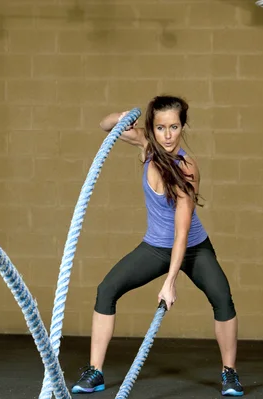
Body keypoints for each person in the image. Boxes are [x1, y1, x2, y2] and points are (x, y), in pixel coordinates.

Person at [70, 95, 244, 397]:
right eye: (161, 127)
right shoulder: (148, 146)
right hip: (155, 247)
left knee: (222, 299)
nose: (167, 135)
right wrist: (124, 116)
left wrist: (170, 282)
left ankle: (229, 373)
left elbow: (182, 232)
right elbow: (105, 125)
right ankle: (95, 371)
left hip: (192, 247)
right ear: (152, 128)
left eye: (174, 127)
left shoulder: (186, 168)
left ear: (182, 126)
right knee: (107, 290)